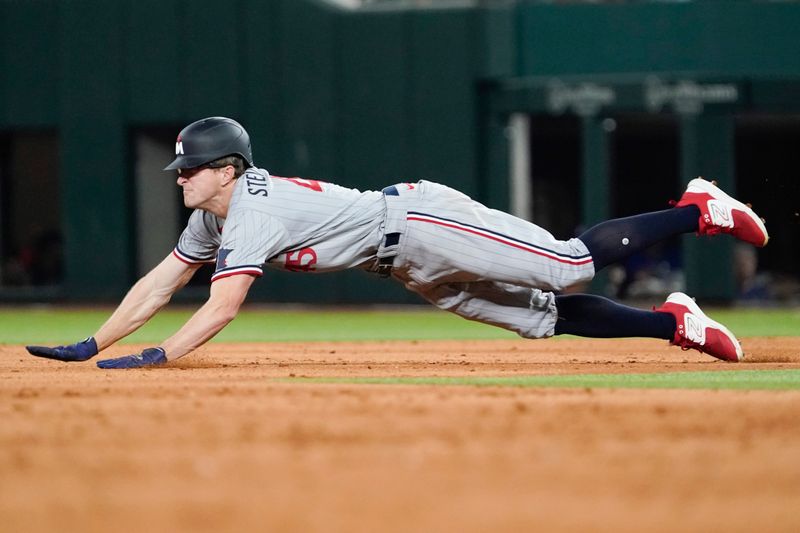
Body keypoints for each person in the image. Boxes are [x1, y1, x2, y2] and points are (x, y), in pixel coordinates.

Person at [26, 117, 769, 368]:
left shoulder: (248, 206)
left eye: (188, 168)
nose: (179, 178)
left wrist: (162, 354)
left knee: (567, 264)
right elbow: (161, 282)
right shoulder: (210, 216)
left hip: (415, 221)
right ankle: (675, 323)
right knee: (542, 316)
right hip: (405, 265)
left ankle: (694, 208)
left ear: (224, 168)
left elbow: (221, 308)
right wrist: (95, 342)